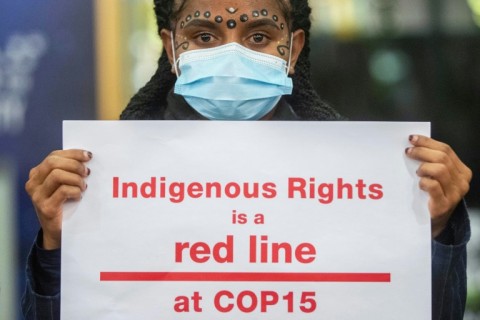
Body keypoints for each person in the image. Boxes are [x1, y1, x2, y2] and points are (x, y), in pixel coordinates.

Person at [22, 0, 472, 319]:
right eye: (204, 35)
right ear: (171, 46)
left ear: (293, 50)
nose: (232, 54)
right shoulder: (104, 179)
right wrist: (58, 246)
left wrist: (432, 231)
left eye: (259, 35)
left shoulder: (362, 177)